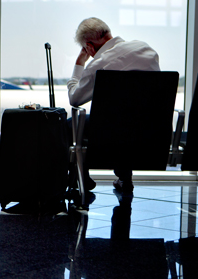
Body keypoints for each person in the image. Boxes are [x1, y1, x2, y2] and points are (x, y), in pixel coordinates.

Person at [67, 17, 160, 193]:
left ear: (89, 46)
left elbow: (75, 98)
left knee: (70, 124)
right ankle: (124, 178)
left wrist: (79, 64)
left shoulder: (98, 65)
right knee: (126, 117)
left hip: (110, 132)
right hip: (149, 130)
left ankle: (80, 179)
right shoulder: (147, 49)